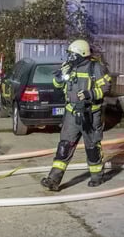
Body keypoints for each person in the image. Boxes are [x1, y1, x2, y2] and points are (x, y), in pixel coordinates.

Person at [40, 40, 112, 191]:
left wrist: (90, 93)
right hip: (71, 114)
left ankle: (97, 177)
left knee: (92, 147)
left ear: (82, 54)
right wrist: (60, 76)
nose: (70, 57)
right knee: (64, 146)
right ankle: (53, 179)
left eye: (73, 54)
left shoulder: (95, 67)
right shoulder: (69, 67)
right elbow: (58, 85)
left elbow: (106, 87)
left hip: (90, 114)